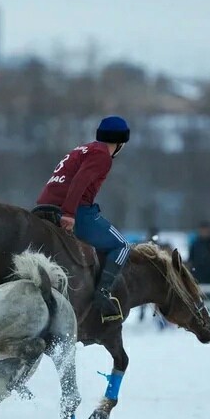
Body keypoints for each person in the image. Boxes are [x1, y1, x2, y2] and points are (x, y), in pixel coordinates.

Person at [35, 115, 130, 321]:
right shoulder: (102, 156)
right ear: (121, 142)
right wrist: (69, 213)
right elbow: (79, 181)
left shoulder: (83, 149)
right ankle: (102, 294)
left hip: (45, 206)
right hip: (74, 209)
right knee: (122, 246)